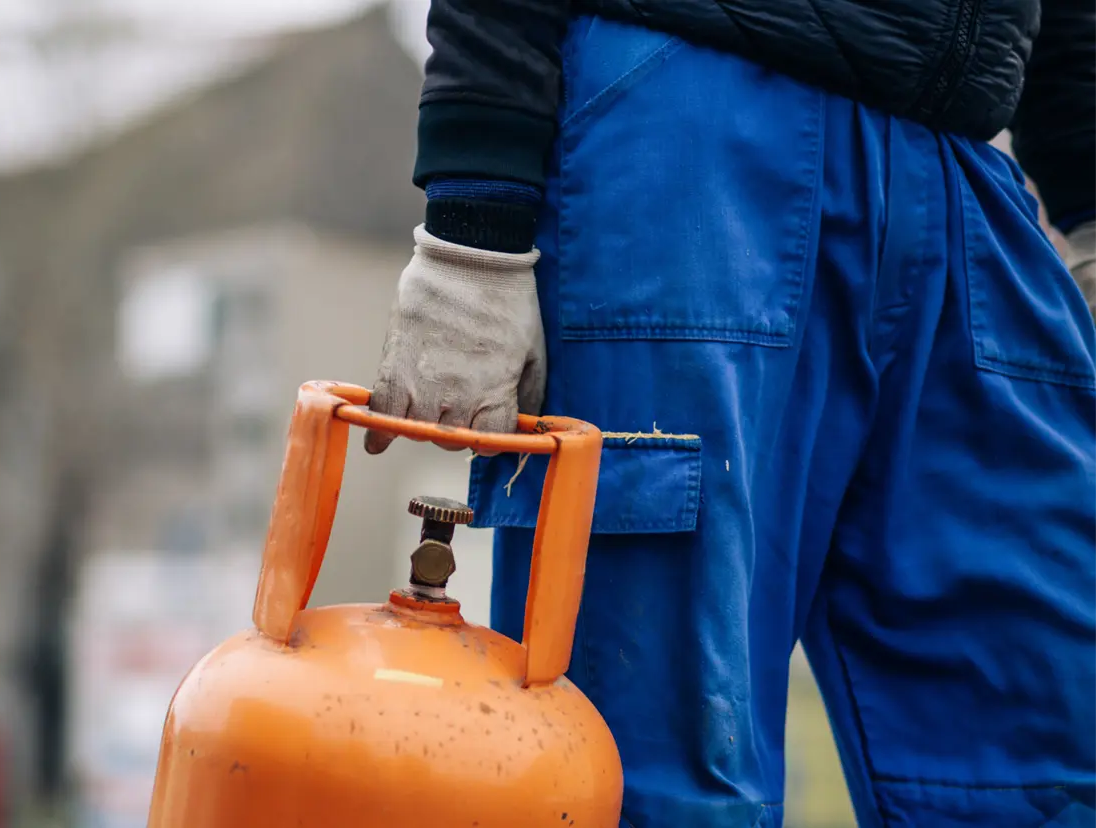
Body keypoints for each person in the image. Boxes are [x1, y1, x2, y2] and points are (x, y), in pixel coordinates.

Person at [365, 0, 1096, 825]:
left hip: (965, 168)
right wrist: (474, 232)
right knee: (653, 774)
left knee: (1041, 763)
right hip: (689, 132)